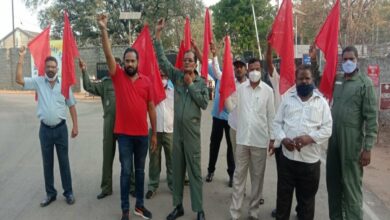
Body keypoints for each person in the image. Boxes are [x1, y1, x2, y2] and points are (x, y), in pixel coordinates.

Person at [97, 14, 157, 220]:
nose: (130, 63)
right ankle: (125, 210)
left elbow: (151, 108)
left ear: (138, 62)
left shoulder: (147, 82)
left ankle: (139, 206)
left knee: (140, 173)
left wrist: (155, 135)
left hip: (142, 136)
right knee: (125, 173)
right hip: (123, 135)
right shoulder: (118, 76)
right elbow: (107, 55)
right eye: (127, 60)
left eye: (133, 60)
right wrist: (104, 29)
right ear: (123, 63)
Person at [154, 18, 209, 220]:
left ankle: (199, 209)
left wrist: (191, 85)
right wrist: (158, 34)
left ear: (195, 64)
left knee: (194, 173)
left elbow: (204, 103)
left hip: (192, 136)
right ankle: (178, 206)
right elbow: (161, 60)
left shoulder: (202, 82)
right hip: (177, 135)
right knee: (177, 173)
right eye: (184, 60)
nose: (186, 62)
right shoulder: (176, 76)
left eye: (190, 60)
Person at [15, 46, 78, 207]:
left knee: (64, 162)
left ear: (57, 68)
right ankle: (50, 194)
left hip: (61, 129)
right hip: (45, 131)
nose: (50, 69)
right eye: (48, 67)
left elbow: (71, 106)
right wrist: (21, 58)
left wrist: (75, 126)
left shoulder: (64, 84)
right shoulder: (38, 81)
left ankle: (68, 192)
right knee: (47, 163)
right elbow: (19, 80)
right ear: (44, 68)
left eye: (53, 66)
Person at [272, 64, 332, 220]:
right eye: (301, 78)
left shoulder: (321, 102)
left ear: (312, 80)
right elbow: (277, 123)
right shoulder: (287, 100)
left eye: (307, 78)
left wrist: (309, 138)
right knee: (283, 201)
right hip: (287, 161)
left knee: (306, 205)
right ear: (296, 80)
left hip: (310, 164)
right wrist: (283, 139)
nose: (304, 81)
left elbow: (327, 129)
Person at [326, 46, 378, 220]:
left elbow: (371, 118)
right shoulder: (338, 80)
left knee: (351, 186)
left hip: (352, 142)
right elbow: (322, 82)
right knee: (333, 184)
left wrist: (368, 147)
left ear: (357, 60)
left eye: (351, 59)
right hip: (333, 140)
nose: (348, 62)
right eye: (345, 59)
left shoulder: (365, 84)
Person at [226, 54, 275, 220]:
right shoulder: (240, 89)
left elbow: (271, 116)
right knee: (239, 177)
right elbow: (231, 107)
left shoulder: (268, 91)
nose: (254, 72)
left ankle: (253, 212)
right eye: (251, 69)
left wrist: (273, 139)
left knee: (257, 178)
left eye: (257, 69)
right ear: (247, 70)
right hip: (242, 141)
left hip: (259, 142)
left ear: (260, 70)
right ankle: (235, 212)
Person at [80, 58, 135, 200]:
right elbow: (88, 86)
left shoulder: (128, 80)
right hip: (109, 125)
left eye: (117, 66)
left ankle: (132, 186)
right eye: (111, 66)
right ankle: (106, 188)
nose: (114, 68)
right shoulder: (105, 83)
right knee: (107, 157)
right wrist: (84, 70)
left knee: (126, 158)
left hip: (125, 126)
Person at [191, 40, 235, 187]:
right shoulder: (219, 73)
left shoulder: (237, 78)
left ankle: (232, 175)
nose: (228, 60)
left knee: (231, 147)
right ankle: (211, 171)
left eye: (231, 58)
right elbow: (204, 62)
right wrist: (196, 47)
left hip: (232, 119)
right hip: (218, 116)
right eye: (227, 57)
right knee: (214, 145)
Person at [146, 71, 174, 199]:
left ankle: (173, 184)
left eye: (164, 76)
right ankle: (152, 185)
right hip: (154, 130)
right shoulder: (151, 90)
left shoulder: (173, 91)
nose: (162, 79)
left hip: (170, 130)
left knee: (171, 159)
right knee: (154, 159)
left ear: (168, 78)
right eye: (160, 76)